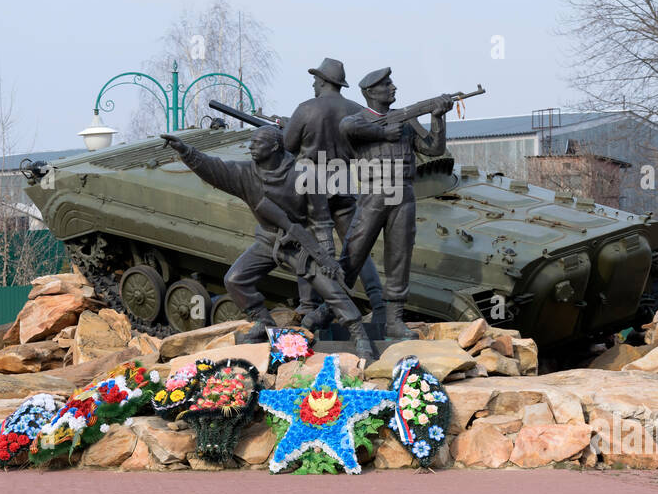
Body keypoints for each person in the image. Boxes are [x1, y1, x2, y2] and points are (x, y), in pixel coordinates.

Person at [159, 126, 375, 361]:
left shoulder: (305, 175)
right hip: (268, 239)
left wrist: (326, 257)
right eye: (251, 142)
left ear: (274, 147)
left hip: (300, 244)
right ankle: (263, 321)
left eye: (257, 143)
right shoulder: (245, 173)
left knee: (331, 289)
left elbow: (321, 222)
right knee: (235, 279)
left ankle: (359, 335)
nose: (251, 146)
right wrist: (185, 151)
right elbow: (214, 168)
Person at [338, 68, 452, 339]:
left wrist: (438, 117)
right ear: (370, 92)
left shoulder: (406, 121)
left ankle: (394, 321)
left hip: (403, 192)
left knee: (399, 256)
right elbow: (347, 128)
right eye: (386, 84)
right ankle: (329, 308)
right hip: (375, 192)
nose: (393, 87)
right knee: (354, 252)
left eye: (391, 83)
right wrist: (384, 133)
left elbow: (434, 149)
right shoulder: (357, 121)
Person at [281, 58, 385, 328]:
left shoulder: (305, 109)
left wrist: (287, 130)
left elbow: (287, 145)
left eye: (316, 79)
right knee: (356, 248)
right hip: (343, 183)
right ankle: (378, 301)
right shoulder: (357, 110)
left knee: (308, 244)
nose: (313, 84)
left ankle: (307, 307)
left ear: (325, 81)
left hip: (310, 184)